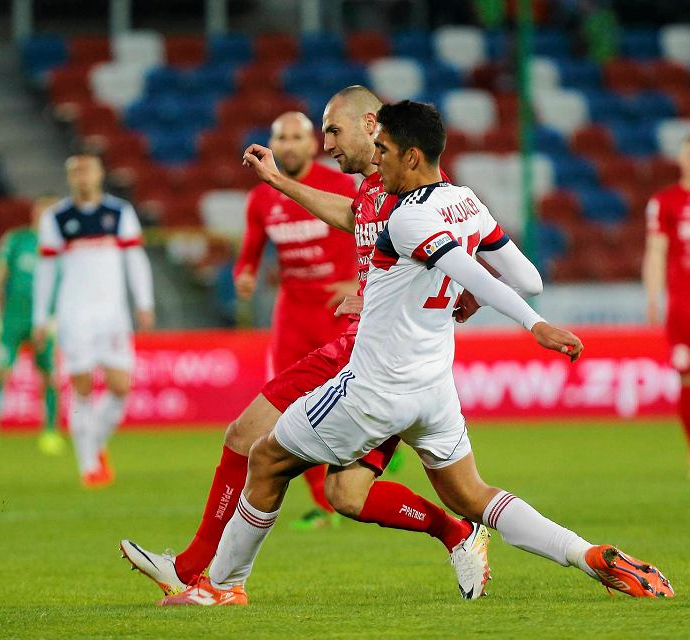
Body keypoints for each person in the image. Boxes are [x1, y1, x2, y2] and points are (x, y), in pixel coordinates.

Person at [161, 99, 673, 606]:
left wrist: (532, 325)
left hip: (375, 388)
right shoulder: (465, 201)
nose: (374, 159)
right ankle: (588, 554)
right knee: (472, 496)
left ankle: (222, 588)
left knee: (267, 456)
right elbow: (528, 277)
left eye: (382, 149)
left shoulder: (407, 218)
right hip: (433, 390)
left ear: (411, 157)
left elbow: (466, 271)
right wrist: (472, 298)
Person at [121, 88, 490, 601]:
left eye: (332, 131)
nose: (326, 143)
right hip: (373, 354)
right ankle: (458, 533)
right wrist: (277, 182)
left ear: (370, 124)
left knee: (244, 437)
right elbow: (352, 217)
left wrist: (462, 291)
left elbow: (458, 240)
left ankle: (193, 570)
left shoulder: (411, 181)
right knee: (347, 495)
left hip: (372, 355)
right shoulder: (371, 187)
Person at [234, 111, 359, 529]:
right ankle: (322, 504)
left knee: (349, 399)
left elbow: (372, 239)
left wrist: (356, 282)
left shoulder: (341, 186)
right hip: (293, 311)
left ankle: (372, 456)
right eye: (280, 137)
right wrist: (245, 275)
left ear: (311, 144)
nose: (287, 145)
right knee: (286, 408)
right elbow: (249, 252)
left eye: (296, 137)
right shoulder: (261, 199)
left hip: (337, 309)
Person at [33, 155, 154, 488]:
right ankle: (88, 464)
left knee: (120, 386)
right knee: (82, 387)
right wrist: (41, 317)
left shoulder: (119, 213)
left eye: (87, 170)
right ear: (70, 177)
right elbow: (45, 272)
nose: (82, 177)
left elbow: (135, 259)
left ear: (100, 174)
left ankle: (95, 444)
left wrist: (144, 302)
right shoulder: (56, 218)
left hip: (113, 315)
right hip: (74, 315)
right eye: (75, 172)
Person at [0, 197, 64, 455]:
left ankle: (50, 431)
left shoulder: (61, 247)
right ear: (34, 213)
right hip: (13, 318)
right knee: (1, 370)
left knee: (48, 375)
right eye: (42, 210)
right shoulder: (16, 239)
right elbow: (0, 272)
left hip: (45, 321)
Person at [644, 134, 690, 475]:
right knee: (686, 379)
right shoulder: (665, 202)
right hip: (683, 305)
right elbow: (656, 252)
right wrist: (653, 297)